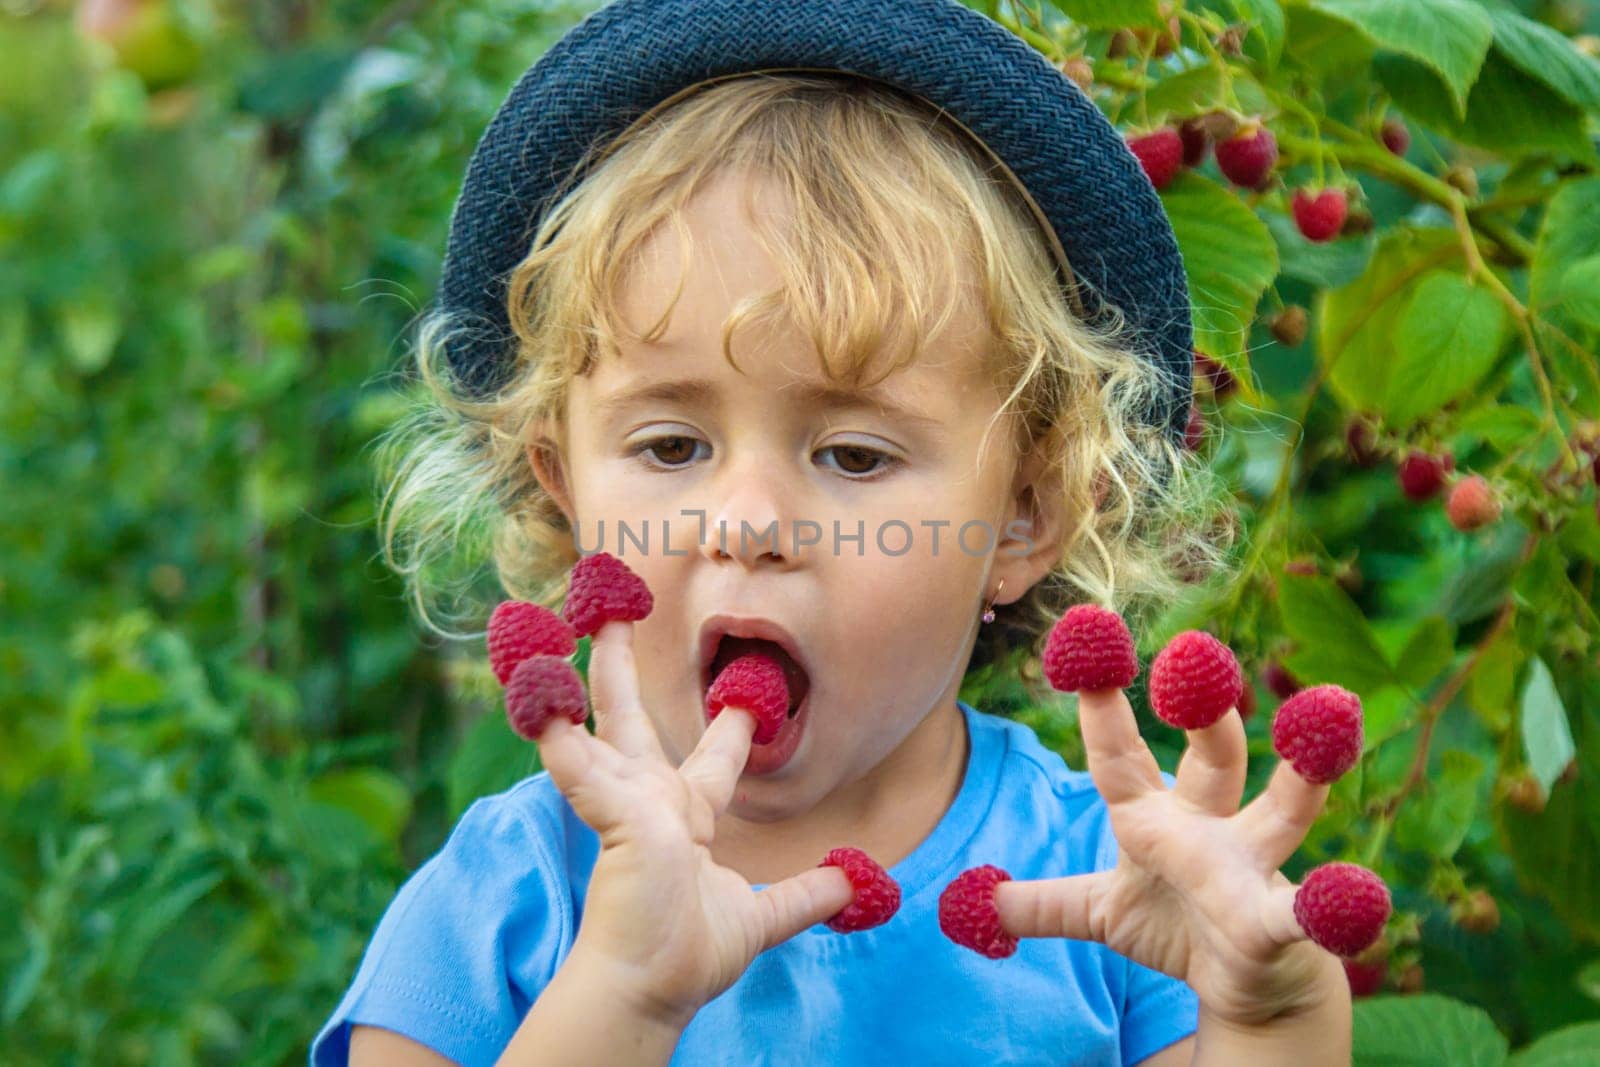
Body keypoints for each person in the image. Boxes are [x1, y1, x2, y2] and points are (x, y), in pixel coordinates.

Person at [310, 1, 1355, 1063]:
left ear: (1026, 516)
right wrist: (618, 994)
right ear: (562, 486)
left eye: (854, 455)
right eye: (671, 445)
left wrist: (1268, 1018)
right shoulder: (503, 906)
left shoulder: (1111, 893)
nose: (749, 523)